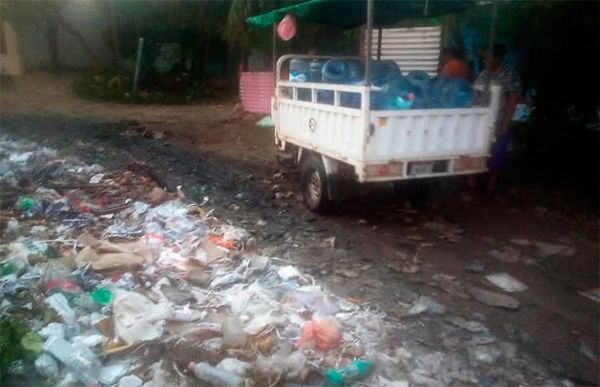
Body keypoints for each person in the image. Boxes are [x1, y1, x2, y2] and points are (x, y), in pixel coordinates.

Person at [473, 43, 521, 193]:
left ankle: (491, 185)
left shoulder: (509, 76)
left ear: (497, 58)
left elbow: (512, 100)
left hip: (498, 120)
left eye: (487, 57)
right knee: (477, 150)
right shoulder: (483, 74)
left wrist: (505, 124)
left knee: (497, 152)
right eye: (483, 57)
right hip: (480, 121)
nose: (484, 60)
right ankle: (472, 181)